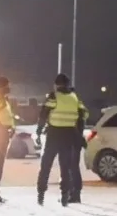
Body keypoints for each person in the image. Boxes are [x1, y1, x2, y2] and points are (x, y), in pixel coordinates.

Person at [36, 73, 88, 206]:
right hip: (69, 135)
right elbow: (84, 115)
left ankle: (41, 194)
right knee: (65, 167)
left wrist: (39, 130)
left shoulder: (54, 96)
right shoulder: (75, 98)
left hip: (54, 134)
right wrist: (79, 134)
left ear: (57, 84)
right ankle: (65, 195)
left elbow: (43, 114)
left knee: (46, 165)